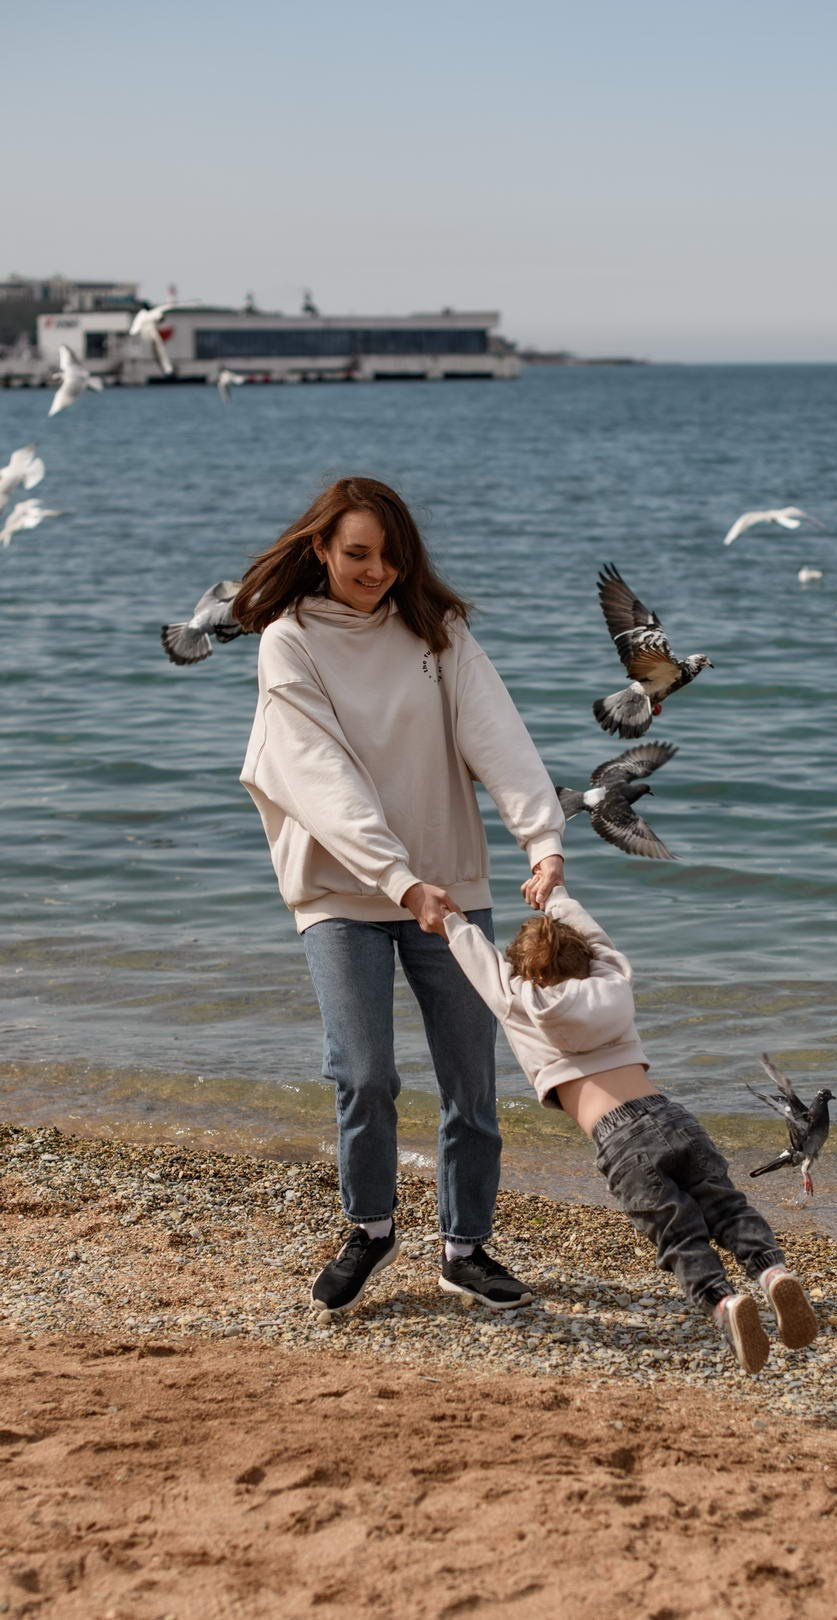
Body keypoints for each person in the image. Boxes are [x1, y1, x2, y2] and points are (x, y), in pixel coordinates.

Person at [234, 477, 565, 1314]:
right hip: (342, 893)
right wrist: (397, 878)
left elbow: (498, 735)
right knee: (366, 1074)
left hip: (448, 888)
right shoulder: (291, 640)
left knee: (472, 1083)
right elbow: (320, 777)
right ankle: (371, 1230)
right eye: (357, 555)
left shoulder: (437, 632)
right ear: (320, 548)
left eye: (390, 556)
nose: (376, 571)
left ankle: (465, 1248)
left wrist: (543, 839)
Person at [441, 886, 818, 1373]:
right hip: (671, 1114)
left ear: (523, 972)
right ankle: (771, 1272)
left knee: (680, 1237)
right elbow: (597, 940)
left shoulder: (519, 1000)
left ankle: (724, 1303)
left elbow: (480, 963)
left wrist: (450, 921)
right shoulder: (613, 978)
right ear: (587, 960)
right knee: (726, 1208)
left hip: (620, 1141)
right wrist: (553, 893)